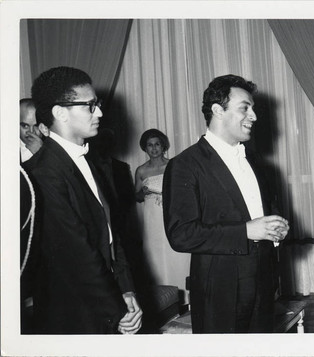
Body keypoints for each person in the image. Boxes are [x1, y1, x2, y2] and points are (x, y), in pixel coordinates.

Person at [163, 74, 290, 333]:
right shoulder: (185, 165)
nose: (254, 116)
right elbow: (181, 235)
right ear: (217, 111)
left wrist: (276, 228)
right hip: (220, 289)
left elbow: (263, 213)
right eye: (245, 108)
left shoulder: (255, 161)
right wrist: (246, 231)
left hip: (263, 282)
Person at [25, 66, 142, 334]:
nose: (99, 112)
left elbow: (113, 235)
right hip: (73, 314)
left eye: (97, 104)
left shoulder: (92, 161)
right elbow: (75, 254)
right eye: (90, 106)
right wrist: (117, 310)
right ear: (60, 112)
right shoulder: (42, 172)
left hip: (107, 302)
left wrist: (127, 290)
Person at [134, 129, 190, 302]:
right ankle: (163, 300)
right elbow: (136, 196)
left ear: (163, 145)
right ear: (145, 148)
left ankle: (184, 297)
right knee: (155, 253)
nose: (154, 148)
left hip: (171, 212)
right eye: (150, 145)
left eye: (157, 144)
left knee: (176, 253)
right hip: (152, 217)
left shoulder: (174, 164)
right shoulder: (141, 170)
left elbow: (185, 190)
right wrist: (143, 192)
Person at [20, 98, 44, 163]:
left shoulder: (53, 149)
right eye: (25, 126)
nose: (31, 131)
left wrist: (41, 153)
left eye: (36, 126)